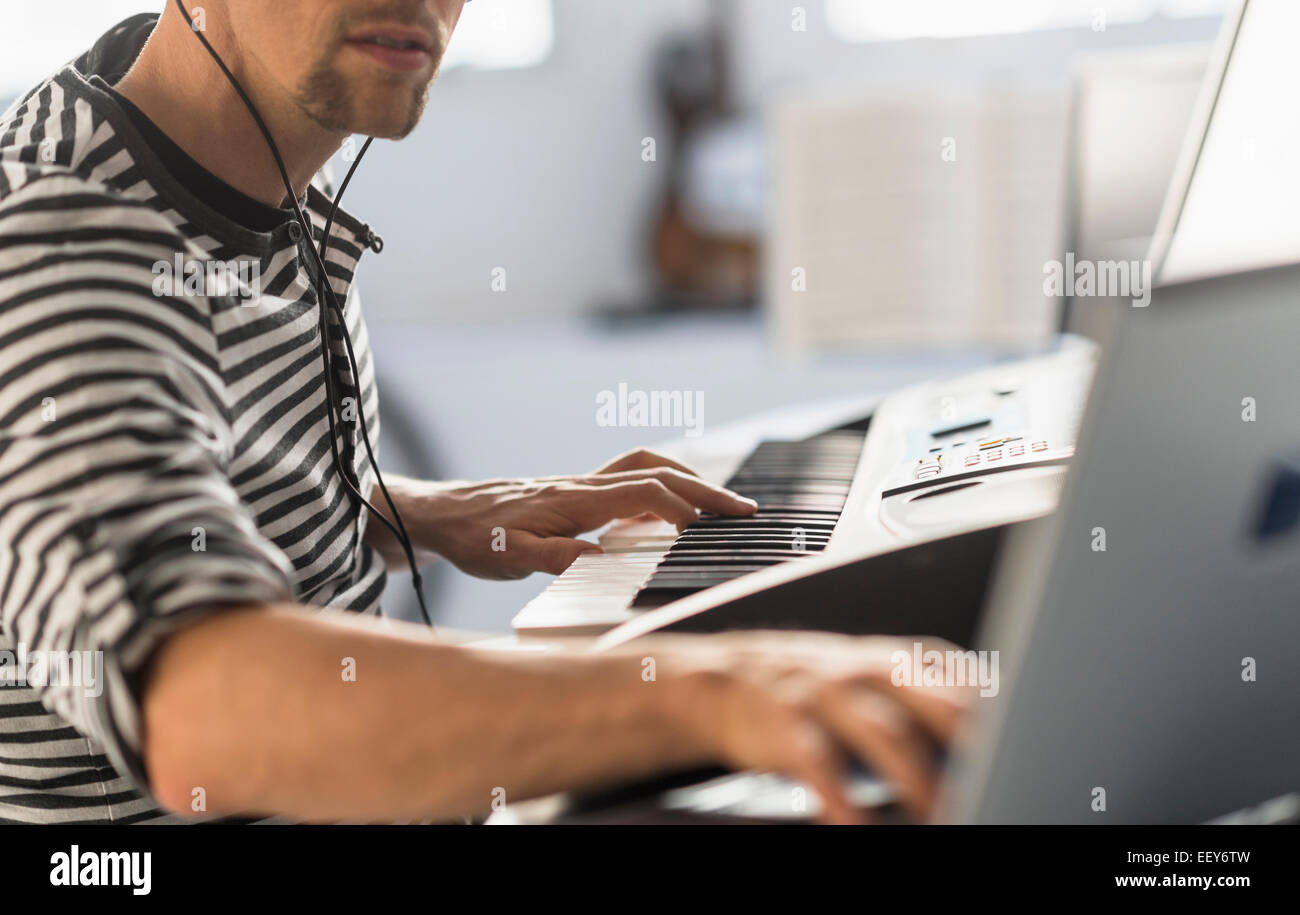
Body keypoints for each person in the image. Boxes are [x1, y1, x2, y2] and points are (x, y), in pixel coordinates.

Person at [0, 1, 970, 825]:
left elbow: (153, 489)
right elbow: (197, 710)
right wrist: (716, 691)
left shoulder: (241, 157)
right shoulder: (62, 242)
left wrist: (413, 511)